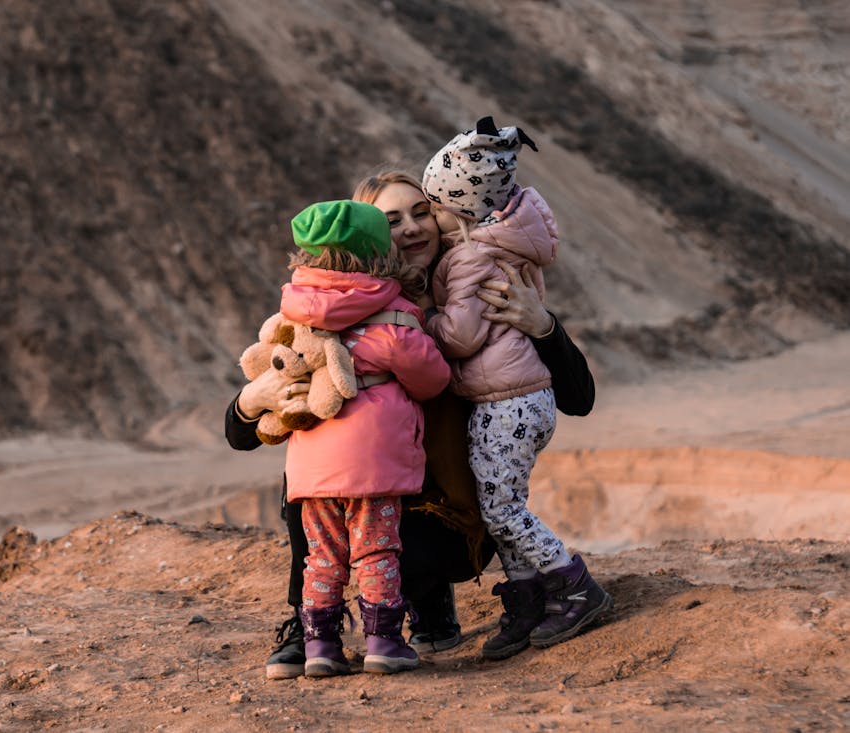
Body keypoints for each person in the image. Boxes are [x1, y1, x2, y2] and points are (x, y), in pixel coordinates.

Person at [225, 172, 597, 680]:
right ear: (369, 237)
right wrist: (252, 398)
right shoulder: (333, 305)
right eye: (391, 220)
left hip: (448, 519)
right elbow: (241, 432)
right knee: (310, 476)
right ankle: (304, 623)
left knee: (378, 518)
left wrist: (544, 326)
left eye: (421, 212)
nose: (412, 229)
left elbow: (580, 399)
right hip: (370, 500)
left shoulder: (474, 289)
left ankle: (427, 598)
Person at [419, 117, 612, 660]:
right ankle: (527, 600)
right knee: (499, 500)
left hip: (507, 401)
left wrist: (424, 322)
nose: (427, 221)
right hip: (517, 397)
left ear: (457, 212)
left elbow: (460, 336)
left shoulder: (469, 257)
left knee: (502, 508)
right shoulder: (503, 245)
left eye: (432, 208)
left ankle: (574, 586)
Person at [270, 199, 450, 677]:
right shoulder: (396, 317)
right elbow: (432, 381)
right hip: (374, 463)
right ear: (381, 255)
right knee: (376, 549)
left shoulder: (296, 310)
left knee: (322, 556)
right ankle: (383, 642)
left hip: (311, 462)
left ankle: (319, 648)